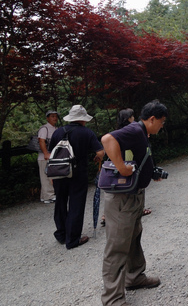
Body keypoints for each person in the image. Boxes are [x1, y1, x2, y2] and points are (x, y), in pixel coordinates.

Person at [100, 100, 168, 306]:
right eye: (161, 122)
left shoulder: (141, 134)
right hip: (123, 199)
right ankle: (113, 299)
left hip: (134, 196)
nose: (162, 126)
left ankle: (134, 277)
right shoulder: (135, 130)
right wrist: (121, 168)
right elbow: (107, 139)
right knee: (118, 246)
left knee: (133, 238)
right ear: (152, 119)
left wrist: (149, 172)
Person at [48, 105, 104, 249]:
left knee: (60, 202)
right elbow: (100, 152)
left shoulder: (57, 132)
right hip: (78, 173)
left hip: (59, 172)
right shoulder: (87, 133)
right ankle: (72, 239)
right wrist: (96, 158)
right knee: (76, 204)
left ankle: (61, 234)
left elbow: (51, 152)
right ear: (83, 119)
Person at [100, 108, 151, 227]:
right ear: (128, 118)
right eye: (132, 116)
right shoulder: (133, 131)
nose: (134, 119)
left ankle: (106, 214)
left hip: (116, 165)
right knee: (133, 183)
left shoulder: (119, 131)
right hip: (127, 162)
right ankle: (139, 209)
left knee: (115, 187)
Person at [37, 110, 58, 204]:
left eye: (56, 116)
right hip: (44, 157)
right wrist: (45, 153)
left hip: (53, 155)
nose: (55, 118)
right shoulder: (44, 129)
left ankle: (44, 196)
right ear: (47, 118)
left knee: (49, 175)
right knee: (46, 176)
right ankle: (49, 196)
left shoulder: (55, 129)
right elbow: (41, 141)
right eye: (52, 116)